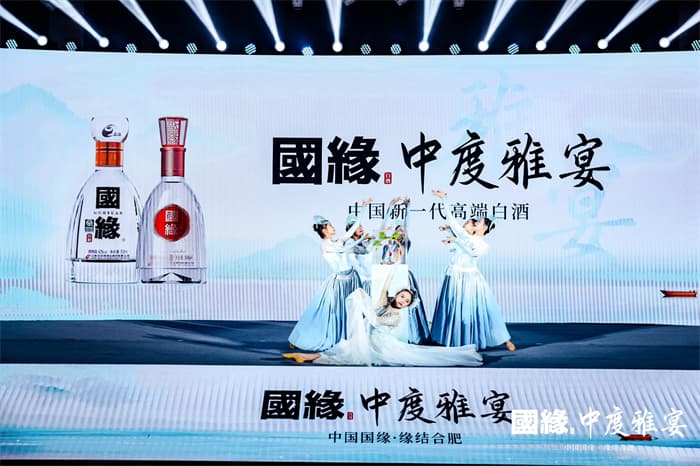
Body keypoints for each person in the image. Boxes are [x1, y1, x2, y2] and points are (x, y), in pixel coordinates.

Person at [282, 259, 483, 367]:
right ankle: (304, 356)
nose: (402, 301)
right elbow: (385, 288)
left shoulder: (395, 316)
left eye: (406, 301)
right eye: (402, 296)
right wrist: (393, 270)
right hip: (369, 339)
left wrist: (363, 306)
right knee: (343, 348)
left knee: (346, 351)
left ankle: (304, 357)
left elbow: (376, 321)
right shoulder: (386, 303)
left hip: (378, 346)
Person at [430, 189, 516, 352]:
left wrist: (455, 239)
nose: (475, 223)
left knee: (482, 309)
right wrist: (444, 200)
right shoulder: (464, 236)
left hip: (470, 278)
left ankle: (504, 339)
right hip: (455, 275)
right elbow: (453, 221)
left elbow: (472, 252)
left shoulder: (484, 245)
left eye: (479, 222)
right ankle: (454, 339)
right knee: (454, 307)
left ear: (485, 228)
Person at [288, 198, 372, 351]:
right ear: (324, 230)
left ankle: (346, 337)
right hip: (338, 282)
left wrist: (363, 208)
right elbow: (344, 249)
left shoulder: (338, 241)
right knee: (326, 312)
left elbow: (351, 231)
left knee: (348, 310)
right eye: (330, 226)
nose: (334, 228)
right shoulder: (325, 246)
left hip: (350, 279)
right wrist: (361, 239)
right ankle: (302, 337)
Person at [378, 196, 431, 344]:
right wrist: (390, 208)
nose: (401, 232)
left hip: (403, 274)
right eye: (398, 230)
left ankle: (411, 335)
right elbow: (382, 228)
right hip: (389, 274)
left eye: (403, 230)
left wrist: (407, 208)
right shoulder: (387, 244)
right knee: (388, 302)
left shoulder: (405, 243)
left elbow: (407, 225)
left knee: (406, 303)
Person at [345, 213, 375, 291]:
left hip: (367, 277)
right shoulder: (350, 243)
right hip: (358, 278)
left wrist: (371, 241)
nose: (360, 228)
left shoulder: (363, 242)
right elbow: (353, 259)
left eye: (360, 226)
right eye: (356, 227)